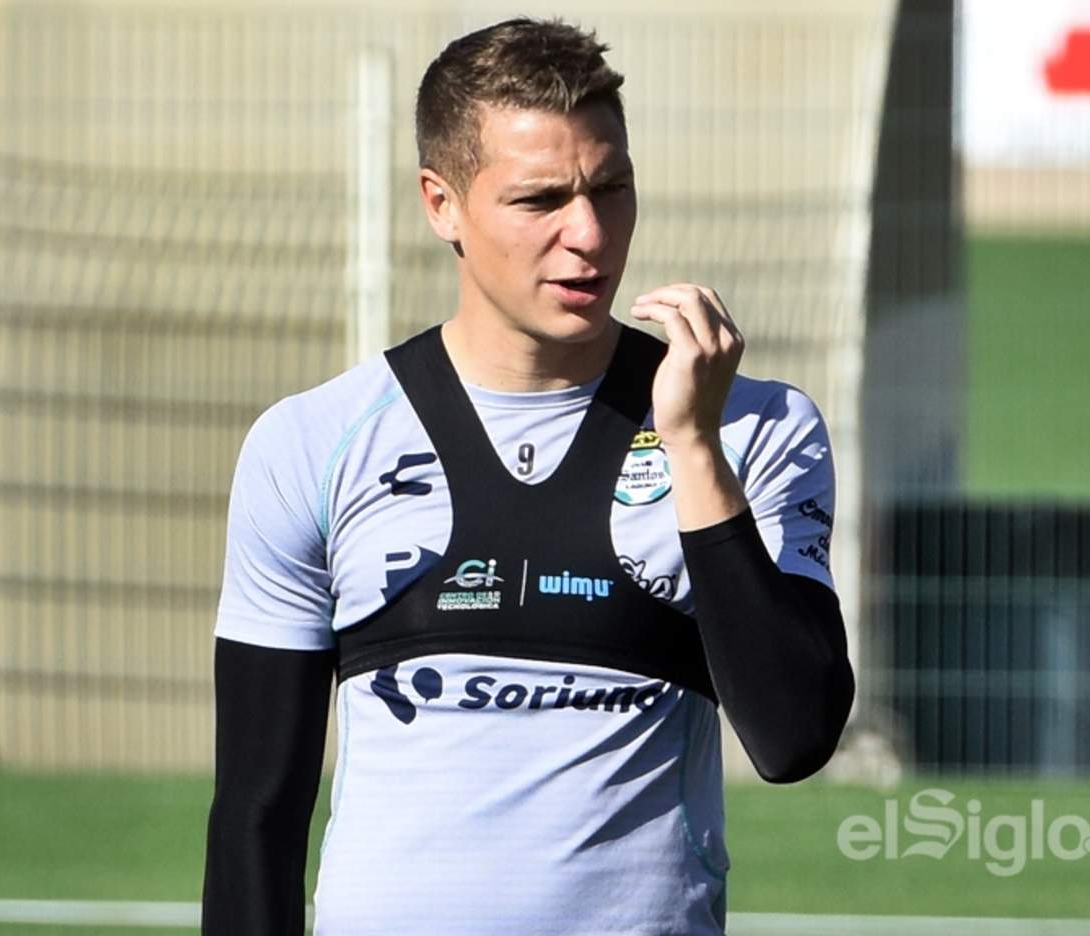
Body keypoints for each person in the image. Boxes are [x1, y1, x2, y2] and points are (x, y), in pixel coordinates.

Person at [202, 17, 853, 936]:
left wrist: (694, 447)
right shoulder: (312, 443)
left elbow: (794, 738)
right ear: (442, 204)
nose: (588, 233)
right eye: (540, 199)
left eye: (611, 188)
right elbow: (255, 817)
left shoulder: (756, 427)